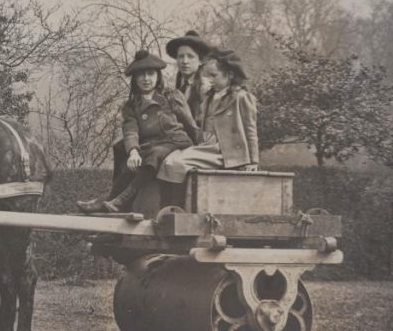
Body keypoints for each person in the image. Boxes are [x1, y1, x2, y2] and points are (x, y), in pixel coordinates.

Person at [77, 50, 195, 213]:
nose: (146, 79)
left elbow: (189, 122)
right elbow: (130, 130)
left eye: (150, 74)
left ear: (158, 76)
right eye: (141, 75)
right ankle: (109, 201)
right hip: (151, 145)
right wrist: (133, 152)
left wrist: (201, 146)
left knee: (154, 153)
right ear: (135, 79)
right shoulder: (132, 106)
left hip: (176, 141)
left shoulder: (171, 96)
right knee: (128, 158)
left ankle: (121, 201)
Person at [158, 49, 259, 190]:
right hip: (206, 145)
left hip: (224, 151)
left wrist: (253, 161)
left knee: (177, 163)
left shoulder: (241, 97)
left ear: (229, 75)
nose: (209, 80)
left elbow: (250, 129)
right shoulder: (209, 97)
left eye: (214, 75)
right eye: (207, 76)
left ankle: (180, 199)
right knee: (169, 160)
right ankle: (179, 201)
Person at [165, 30, 212, 135]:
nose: (185, 61)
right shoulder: (181, 89)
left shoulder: (206, 88)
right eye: (181, 56)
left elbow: (207, 129)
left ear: (200, 61)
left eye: (190, 56)